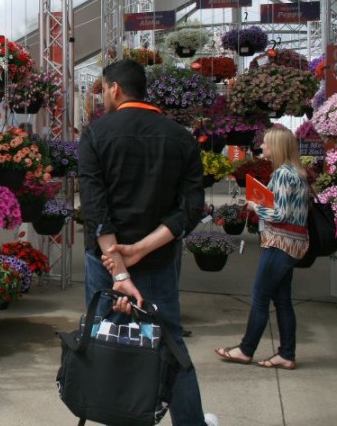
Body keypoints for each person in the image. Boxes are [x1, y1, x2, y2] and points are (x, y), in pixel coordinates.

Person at [78, 59, 218, 426]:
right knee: (169, 343)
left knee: (105, 341)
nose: (102, 95)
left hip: (105, 266)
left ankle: (114, 415)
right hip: (157, 263)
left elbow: (95, 206)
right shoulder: (181, 137)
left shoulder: (96, 134)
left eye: (102, 88)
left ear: (114, 89)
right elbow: (190, 208)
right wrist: (141, 250)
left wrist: (120, 270)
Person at [214, 126, 309, 370]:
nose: (262, 147)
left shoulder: (284, 174)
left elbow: (279, 213)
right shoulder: (295, 172)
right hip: (292, 243)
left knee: (259, 298)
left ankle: (246, 350)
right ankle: (286, 354)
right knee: (283, 301)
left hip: (279, 243)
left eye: (266, 143)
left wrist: (255, 206)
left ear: (276, 147)